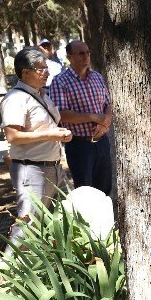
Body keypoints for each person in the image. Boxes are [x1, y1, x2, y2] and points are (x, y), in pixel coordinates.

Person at [0, 47, 73, 243]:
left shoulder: (41, 94)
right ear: (26, 72)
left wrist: (58, 134)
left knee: (65, 217)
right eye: (41, 68)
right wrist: (50, 134)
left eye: (46, 67)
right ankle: (13, 268)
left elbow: (45, 125)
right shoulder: (15, 99)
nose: (47, 72)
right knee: (28, 226)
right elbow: (13, 136)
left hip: (53, 167)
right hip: (32, 169)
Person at [50, 40, 113, 194]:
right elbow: (62, 114)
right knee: (85, 192)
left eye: (87, 52)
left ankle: (105, 219)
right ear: (69, 57)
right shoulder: (60, 81)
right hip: (79, 146)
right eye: (80, 53)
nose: (85, 56)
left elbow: (108, 104)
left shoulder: (97, 76)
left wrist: (105, 121)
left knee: (105, 189)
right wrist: (94, 117)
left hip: (102, 142)